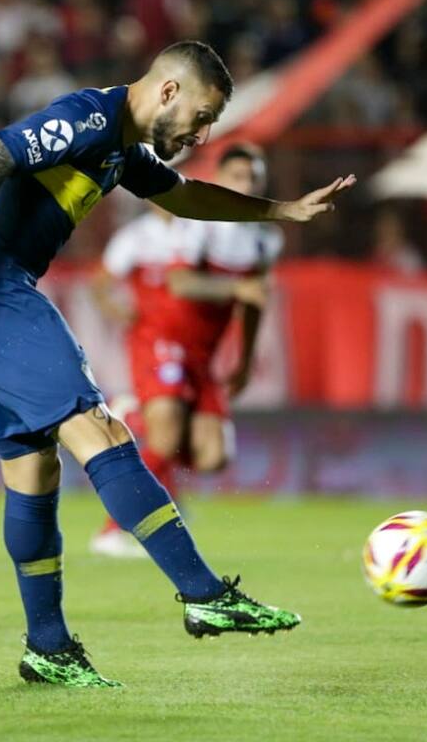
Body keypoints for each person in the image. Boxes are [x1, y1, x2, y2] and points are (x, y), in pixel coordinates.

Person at [0, 41, 354, 687]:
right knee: (100, 429)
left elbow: (185, 196)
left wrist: (281, 211)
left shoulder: (122, 150)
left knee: (31, 467)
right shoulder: (89, 119)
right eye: (202, 114)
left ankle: (47, 647)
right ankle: (202, 593)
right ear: (167, 91)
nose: (204, 131)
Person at [89, 143, 282, 558]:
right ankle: (112, 529)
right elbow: (180, 284)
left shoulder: (264, 243)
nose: (246, 186)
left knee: (213, 456)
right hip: (163, 338)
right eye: (237, 178)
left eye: (253, 179)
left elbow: (253, 305)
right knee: (169, 433)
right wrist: (236, 287)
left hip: (204, 356)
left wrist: (245, 360)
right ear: (220, 180)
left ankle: (136, 419)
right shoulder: (198, 227)